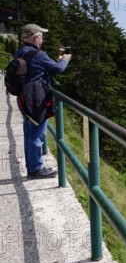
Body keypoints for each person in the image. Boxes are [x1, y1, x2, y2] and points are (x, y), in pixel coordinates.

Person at [14, 24, 71, 178]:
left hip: (24, 97)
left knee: (29, 133)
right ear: (36, 37)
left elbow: (39, 68)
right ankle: (35, 169)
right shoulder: (38, 54)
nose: (43, 38)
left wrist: (56, 59)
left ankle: (32, 166)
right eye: (41, 36)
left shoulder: (21, 51)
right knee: (36, 135)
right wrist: (65, 59)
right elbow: (57, 69)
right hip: (35, 100)